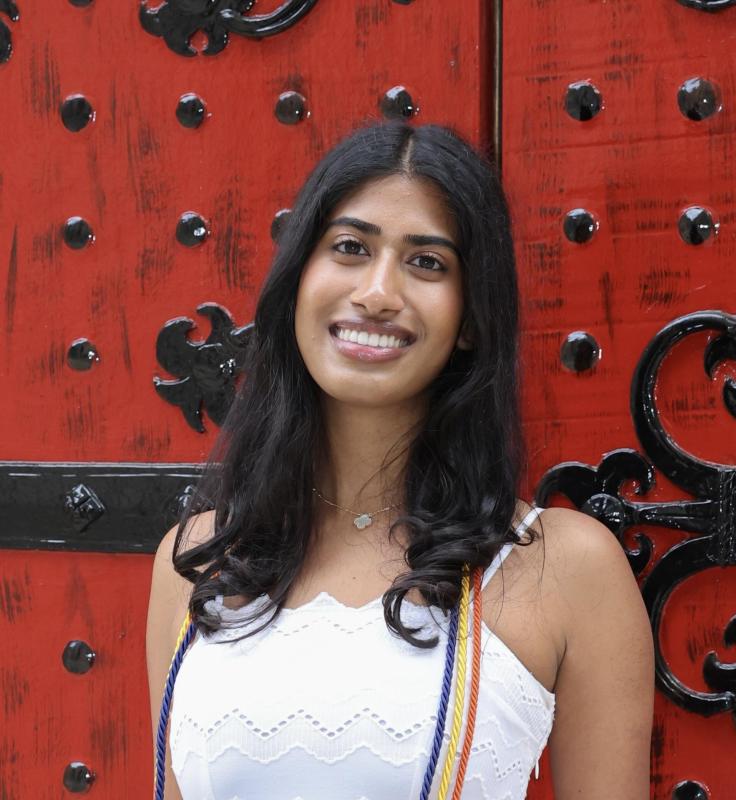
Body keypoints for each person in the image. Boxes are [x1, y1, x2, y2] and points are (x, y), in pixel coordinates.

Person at [146, 119, 654, 800]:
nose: (379, 292)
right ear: (299, 280)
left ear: (470, 317)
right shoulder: (198, 559)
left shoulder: (559, 567)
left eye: (426, 262)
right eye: (351, 247)